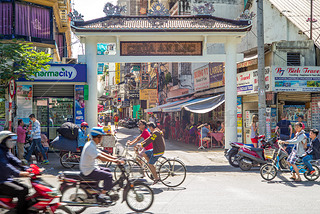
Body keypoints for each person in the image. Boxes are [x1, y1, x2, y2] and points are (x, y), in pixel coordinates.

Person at [79, 127, 124, 204]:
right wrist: (114, 161)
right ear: (97, 137)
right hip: (89, 170)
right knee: (108, 176)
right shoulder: (90, 146)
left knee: (108, 170)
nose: (102, 139)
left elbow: (101, 153)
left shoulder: (91, 144)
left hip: (91, 167)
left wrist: (115, 158)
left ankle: (104, 190)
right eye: (101, 137)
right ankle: (101, 196)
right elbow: (100, 157)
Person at [0, 131, 30, 214]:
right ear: (3, 141)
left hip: (7, 179)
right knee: (21, 191)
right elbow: (6, 166)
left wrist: (27, 168)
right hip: (2, 182)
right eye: (9, 140)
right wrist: (19, 173)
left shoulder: (5, 150)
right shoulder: (0, 152)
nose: (12, 142)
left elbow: (15, 161)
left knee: (26, 188)